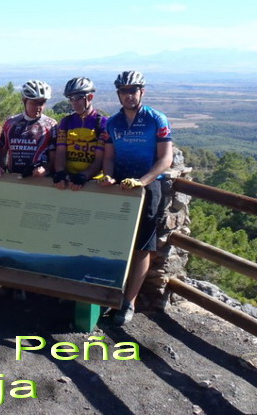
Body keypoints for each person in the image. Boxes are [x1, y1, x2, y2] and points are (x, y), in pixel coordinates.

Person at [99, 71, 173, 325]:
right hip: (119, 186)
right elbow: (108, 157)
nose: (129, 95)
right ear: (118, 94)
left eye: (133, 90)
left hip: (148, 189)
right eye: (124, 91)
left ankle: (128, 302)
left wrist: (143, 181)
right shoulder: (113, 123)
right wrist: (108, 176)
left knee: (143, 247)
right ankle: (106, 293)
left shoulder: (156, 119)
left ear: (142, 92)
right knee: (112, 240)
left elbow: (166, 159)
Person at [0, 80, 56, 178]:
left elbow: (54, 157)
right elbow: (2, 151)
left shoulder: (51, 125)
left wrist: (46, 169)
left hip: (39, 180)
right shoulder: (10, 122)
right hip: (13, 178)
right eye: (34, 102)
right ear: (24, 100)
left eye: (42, 103)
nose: (38, 107)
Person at [53, 77, 108, 190]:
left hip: (93, 181)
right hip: (69, 180)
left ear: (90, 97)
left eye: (78, 98)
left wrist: (84, 175)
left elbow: (99, 159)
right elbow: (60, 152)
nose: (74, 102)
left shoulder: (102, 123)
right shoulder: (66, 122)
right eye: (71, 98)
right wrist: (60, 172)